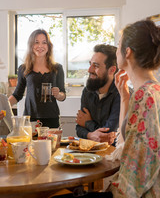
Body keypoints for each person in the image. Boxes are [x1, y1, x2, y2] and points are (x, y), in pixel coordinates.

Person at [53, 19, 160, 198]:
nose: (116, 50)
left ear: (127, 53)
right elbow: (125, 145)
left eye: (118, 46)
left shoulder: (144, 96)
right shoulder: (152, 90)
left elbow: (138, 170)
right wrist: (125, 97)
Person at [9, 29, 66, 128]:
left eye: (44, 42)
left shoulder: (57, 68)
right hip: (30, 119)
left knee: (52, 144)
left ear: (48, 46)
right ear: (31, 45)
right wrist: (3, 105)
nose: (40, 46)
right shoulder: (24, 68)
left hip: (52, 118)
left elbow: (63, 95)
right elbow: (17, 95)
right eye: (36, 42)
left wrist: (58, 94)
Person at [76, 44, 120, 143]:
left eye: (95, 65)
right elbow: (79, 128)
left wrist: (87, 123)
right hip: (90, 152)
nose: (89, 69)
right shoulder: (87, 91)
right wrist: (90, 135)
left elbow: (108, 135)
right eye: (90, 64)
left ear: (111, 70)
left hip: (113, 154)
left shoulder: (122, 94)